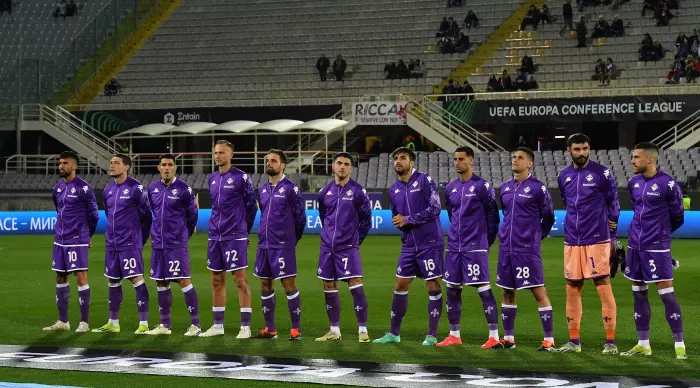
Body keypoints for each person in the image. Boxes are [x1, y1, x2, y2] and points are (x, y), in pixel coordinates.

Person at [553, 134, 620, 354]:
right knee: (572, 287)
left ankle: (610, 342)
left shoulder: (602, 173)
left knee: (602, 284)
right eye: (577, 149)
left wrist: (612, 237)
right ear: (569, 150)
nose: (581, 153)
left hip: (597, 238)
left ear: (589, 148)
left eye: (584, 148)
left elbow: (614, 204)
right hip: (572, 239)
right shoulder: (564, 175)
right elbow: (567, 202)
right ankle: (574, 341)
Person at [373, 147, 444, 346]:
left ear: (411, 163)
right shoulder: (393, 189)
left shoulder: (424, 180)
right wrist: (400, 222)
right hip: (408, 246)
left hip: (430, 242)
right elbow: (396, 215)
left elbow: (435, 208)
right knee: (400, 284)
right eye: (395, 158)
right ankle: (394, 333)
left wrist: (408, 219)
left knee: (433, 285)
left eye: (402, 158)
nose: (398, 161)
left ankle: (431, 335)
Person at [622, 142, 686, 360]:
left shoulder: (668, 184)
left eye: (636, 157)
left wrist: (661, 235)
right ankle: (643, 343)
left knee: (666, 295)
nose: (632, 161)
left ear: (649, 159)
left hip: (657, 247)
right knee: (638, 295)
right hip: (634, 246)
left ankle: (679, 343)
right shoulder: (633, 183)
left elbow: (678, 216)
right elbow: (637, 209)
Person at [437, 147, 501, 348]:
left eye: (461, 159)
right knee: (452, 289)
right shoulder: (450, 188)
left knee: (483, 289)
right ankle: (454, 335)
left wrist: (485, 242)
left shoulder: (482, 186)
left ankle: (494, 336)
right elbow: (451, 215)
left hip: (475, 246)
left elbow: (493, 217)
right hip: (454, 246)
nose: (457, 163)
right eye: (455, 159)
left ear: (470, 161)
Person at [497, 147, 556, 351]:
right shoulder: (504, 188)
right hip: (506, 248)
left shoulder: (538, 188)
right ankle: (509, 339)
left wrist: (537, 236)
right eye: (514, 156)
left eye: (520, 157)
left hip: (527, 249)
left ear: (529, 163)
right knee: (507, 292)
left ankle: (549, 339)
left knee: (538, 291)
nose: (515, 160)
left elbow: (548, 216)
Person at [201, 140, 257, 338]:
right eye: (215, 152)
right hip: (215, 235)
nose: (217, 156)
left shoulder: (241, 177)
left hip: (235, 235)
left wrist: (244, 231)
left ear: (231, 155)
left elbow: (252, 206)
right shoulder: (212, 178)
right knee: (216, 280)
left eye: (222, 153)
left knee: (240, 280)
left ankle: (245, 327)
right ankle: (217, 326)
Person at [92, 154, 152, 334]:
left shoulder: (136, 188)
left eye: (116, 163)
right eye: (110, 163)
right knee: (112, 281)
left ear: (126, 167)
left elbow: (147, 217)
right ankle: (113, 322)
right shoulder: (108, 190)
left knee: (136, 279)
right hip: (112, 244)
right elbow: (108, 213)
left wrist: (140, 239)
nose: (112, 166)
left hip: (130, 244)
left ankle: (144, 323)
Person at [315, 153, 372, 343]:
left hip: (348, 247)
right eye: (339, 163)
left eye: (346, 164)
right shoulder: (324, 192)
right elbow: (324, 217)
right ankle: (334, 330)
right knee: (329, 286)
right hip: (327, 248)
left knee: (355, 285)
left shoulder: (358, 191)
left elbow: (366, 220)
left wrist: (355, 241)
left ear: (351, 168)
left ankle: (362, 330)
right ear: (333, 166)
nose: (342, 167)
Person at [144, 154, 200, 336]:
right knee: (161, 282)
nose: (167, 168)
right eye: (163, 165)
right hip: (158, 244)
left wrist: (185, 234)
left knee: (183, 280)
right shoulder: (152, 188)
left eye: (170, 165)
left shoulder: (184, 189)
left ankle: (196, 325)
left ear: (175, 167)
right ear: (158, 168)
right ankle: (164, 325)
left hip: (176, 243)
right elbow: (153, 211)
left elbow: (192, 215)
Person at [43, 151, 99, 333]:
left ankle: (84, 322)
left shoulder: (84, 188)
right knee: (60, 276)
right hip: (60, 240)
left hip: (77, 239)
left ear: (74, 166)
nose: (61, 166)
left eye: (65, 163)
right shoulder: (57, 188)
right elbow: (58, 209)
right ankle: (63, 322)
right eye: (60, 163)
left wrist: (86, 236)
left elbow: (94, 215)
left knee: (80, 277)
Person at [254, 149, 306, 341]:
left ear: (283, 165)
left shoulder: (291, 189)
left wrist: (293, 240)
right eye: (268, 160)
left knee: (288, 284)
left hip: (283, 245)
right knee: (265, 284)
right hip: (264, 245)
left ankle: (295, 330)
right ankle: (270, 329)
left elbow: (300, 218)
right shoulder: (262, 190)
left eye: (274, 161)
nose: (269, 163)